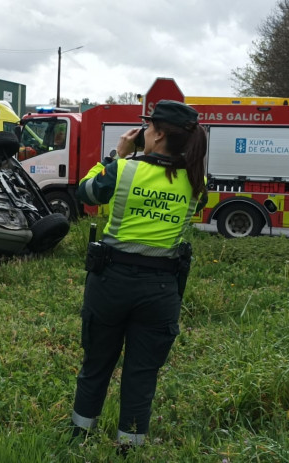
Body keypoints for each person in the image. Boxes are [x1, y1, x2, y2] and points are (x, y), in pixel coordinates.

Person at [70, 100, 207, 450]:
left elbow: (85, 191)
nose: (145, 131)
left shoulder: (124, 170)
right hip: (161, 290)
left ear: (159, 133)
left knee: (97, 363)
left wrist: (116, 154)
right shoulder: (196, 181)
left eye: (149, 127)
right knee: (142, 375)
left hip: (111, 283)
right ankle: (128, 447)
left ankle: (78, 436)